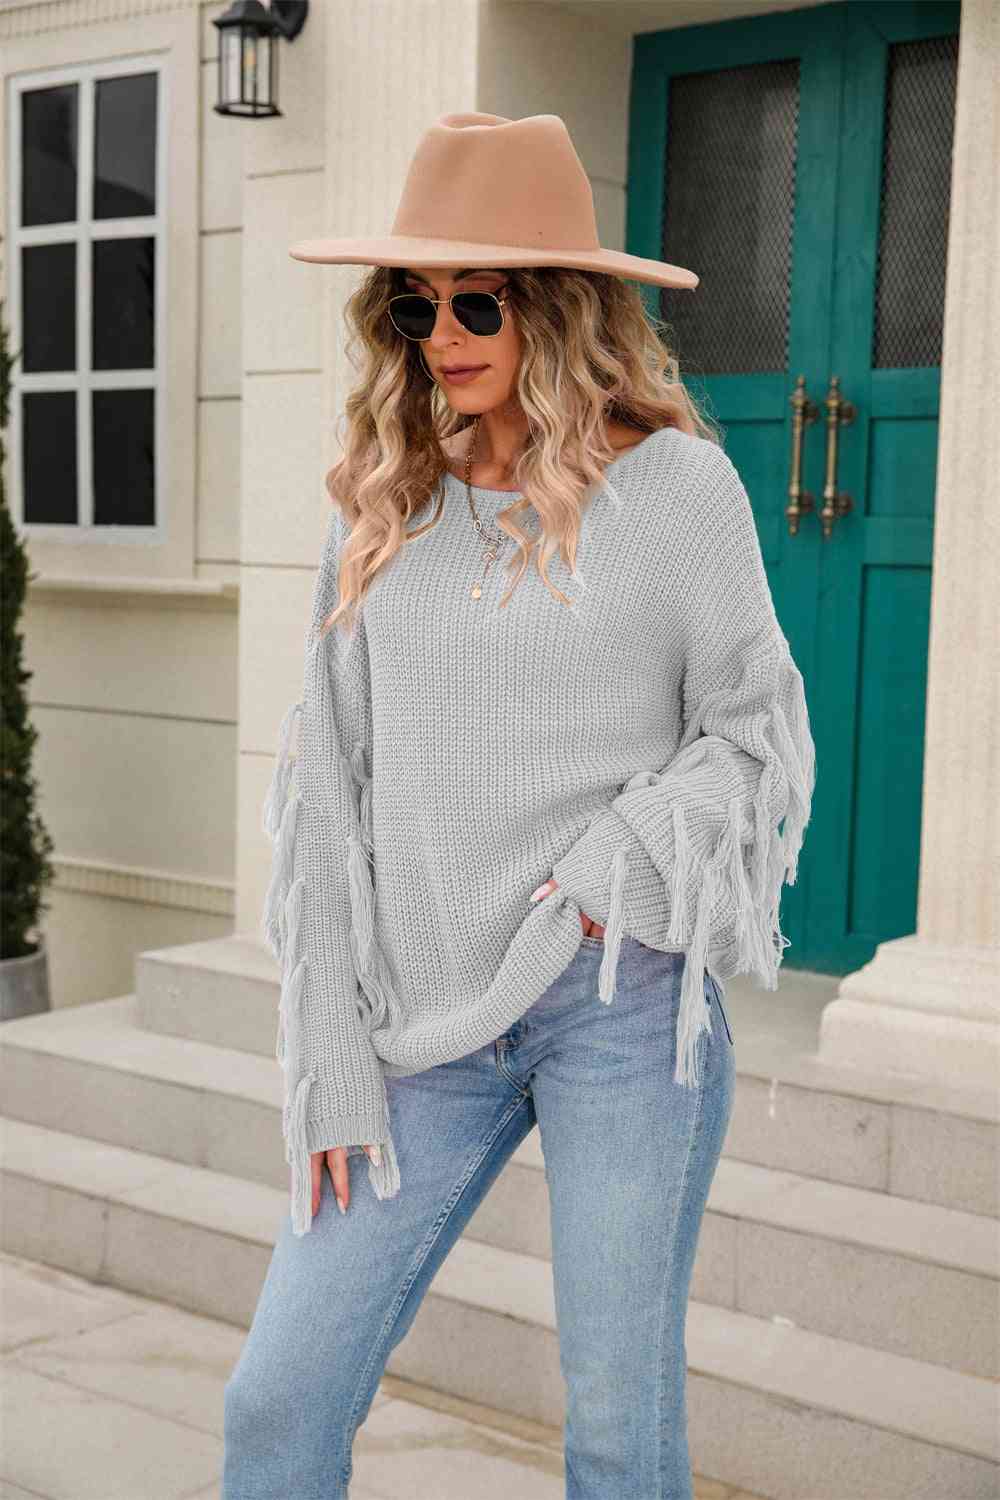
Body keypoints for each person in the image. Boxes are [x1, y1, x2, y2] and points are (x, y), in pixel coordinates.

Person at [223, 112, 815, 1500]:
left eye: (477, 301)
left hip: (620, 1001)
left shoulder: (678, 492)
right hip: (418, 1019)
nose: (442, 336)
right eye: (414, 305)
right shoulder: (386, 503)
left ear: (556, 308)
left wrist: (618, 862)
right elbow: (329, 791)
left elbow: (753, 734)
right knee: (277, 1399)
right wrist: (329, 1052)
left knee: (616, 1428)